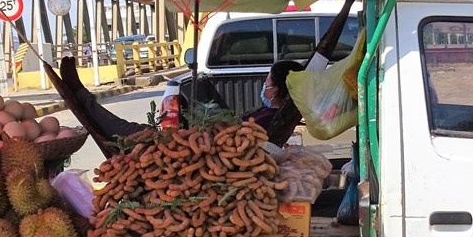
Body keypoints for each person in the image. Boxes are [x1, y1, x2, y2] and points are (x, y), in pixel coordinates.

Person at [65, 58, 304, 138]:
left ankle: (84, 99)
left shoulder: (270, 117)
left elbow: (235, 136)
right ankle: (84, 98)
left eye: (268, 81)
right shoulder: (272, 114)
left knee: (130, 131)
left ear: (278, 90)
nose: (264, 85)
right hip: (196, 141)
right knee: (137, 130)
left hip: (202, 148)